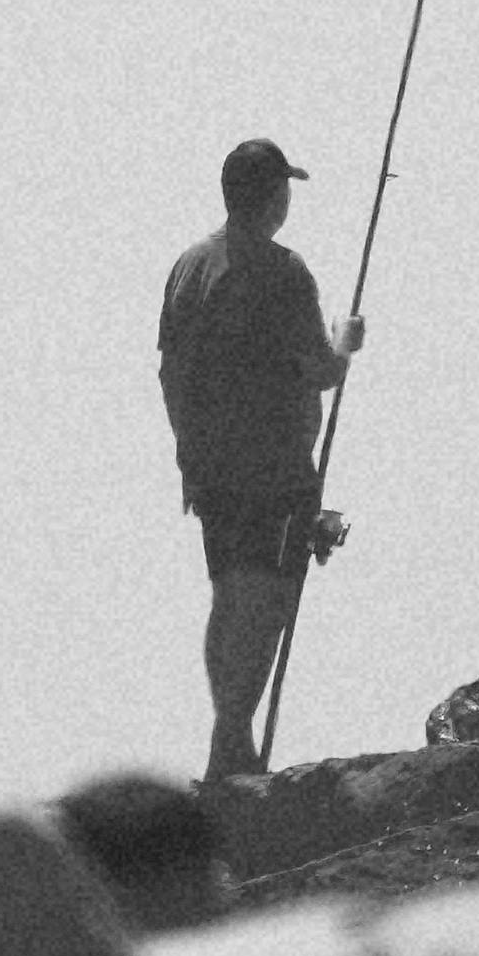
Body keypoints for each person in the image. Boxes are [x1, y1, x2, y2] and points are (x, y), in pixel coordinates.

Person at [160, 140, 362, 781]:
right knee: (266, 601)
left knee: (230, 599)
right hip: (273, 469)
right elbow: (321, 368)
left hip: (210, 468)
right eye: (284, 189)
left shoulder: (189, 268)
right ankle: (230, 747)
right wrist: (346, 341)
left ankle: (230, 740)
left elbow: (170, 372)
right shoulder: (283, 271)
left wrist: (189, 453)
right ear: (273, 197)